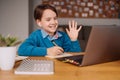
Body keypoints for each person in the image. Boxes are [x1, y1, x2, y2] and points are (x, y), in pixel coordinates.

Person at [18, 4, 82, 56]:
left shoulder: (63, 36)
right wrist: (47, 51)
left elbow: (76, 55)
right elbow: (22, 50)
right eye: (48, 20)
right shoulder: (36, 36)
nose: (53, 22)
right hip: (43, 67)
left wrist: (74, 40)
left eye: (55, 18)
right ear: (39, 22)